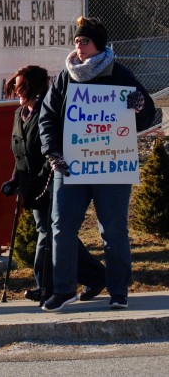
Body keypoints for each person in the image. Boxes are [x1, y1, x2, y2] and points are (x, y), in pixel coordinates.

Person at [39, 17, 155, 312]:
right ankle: (64, 290)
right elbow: (48, 118)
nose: (79, 47)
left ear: (98, 45)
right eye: (76, 41)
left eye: (85, 41)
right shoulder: (65, 77)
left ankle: (119, 292)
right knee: (61, 227)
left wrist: (139, 105)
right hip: (70, 167)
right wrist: (52, 152)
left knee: (113, 231)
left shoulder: (119, 73)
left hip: (111, 168)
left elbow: (148, 115)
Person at [1, 65, 106, 304]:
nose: (18, 92)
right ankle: (99, 276)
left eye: (22, 87)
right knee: (59, 236)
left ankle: (45, 286)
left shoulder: (47, 113)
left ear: (36, 89)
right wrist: (14, 181)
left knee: (48, 234)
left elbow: (52, 152)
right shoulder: (19, 115)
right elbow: (20, 154)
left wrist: (43, 181)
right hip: (31, 187)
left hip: (50, 184)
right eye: (16, 87)